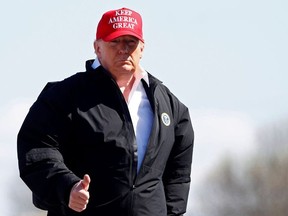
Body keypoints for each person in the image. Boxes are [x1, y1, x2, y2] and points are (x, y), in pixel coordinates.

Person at [17, 7, 194, 216]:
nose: (123, 49)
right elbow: (37, 149)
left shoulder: (169, 105)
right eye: (115, 42)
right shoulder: (64, 96)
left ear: (142, 48)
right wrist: (67, 187)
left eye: (131, 42)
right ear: (97, 48)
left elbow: (178, 173)